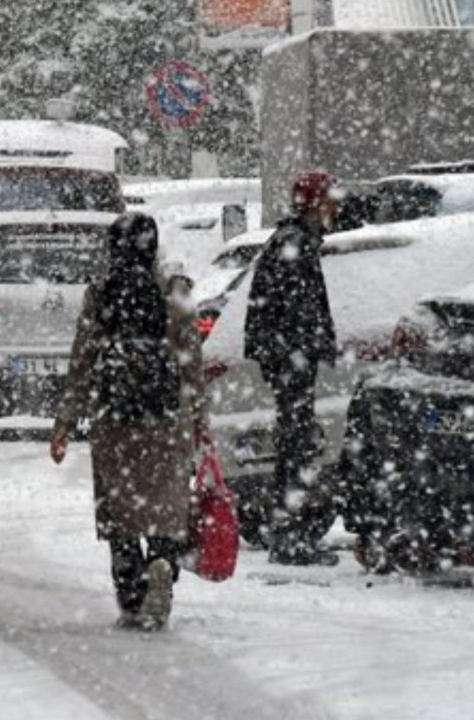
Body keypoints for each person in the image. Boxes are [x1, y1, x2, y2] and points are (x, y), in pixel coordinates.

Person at [50, 213, 208, 632]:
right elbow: (192, 362)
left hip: (115, 419)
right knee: (163, 507)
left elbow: (83, 359)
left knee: (121, 516)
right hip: (166, 416)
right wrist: (200, 423)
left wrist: (66, 420)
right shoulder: (175, 292)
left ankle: (132, 597)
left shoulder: (101, 293)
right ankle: (161, 562)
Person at [245, 171, 341, 567]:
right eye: (330, 200)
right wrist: (310, 349)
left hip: (287, 360)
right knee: (296, 448)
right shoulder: (295, 245)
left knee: (295, 445)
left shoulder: (291, 240)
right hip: (291, 362)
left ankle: (289, 533)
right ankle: (290, 537)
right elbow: (298, 313)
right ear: (317, 203)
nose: (335, 208)